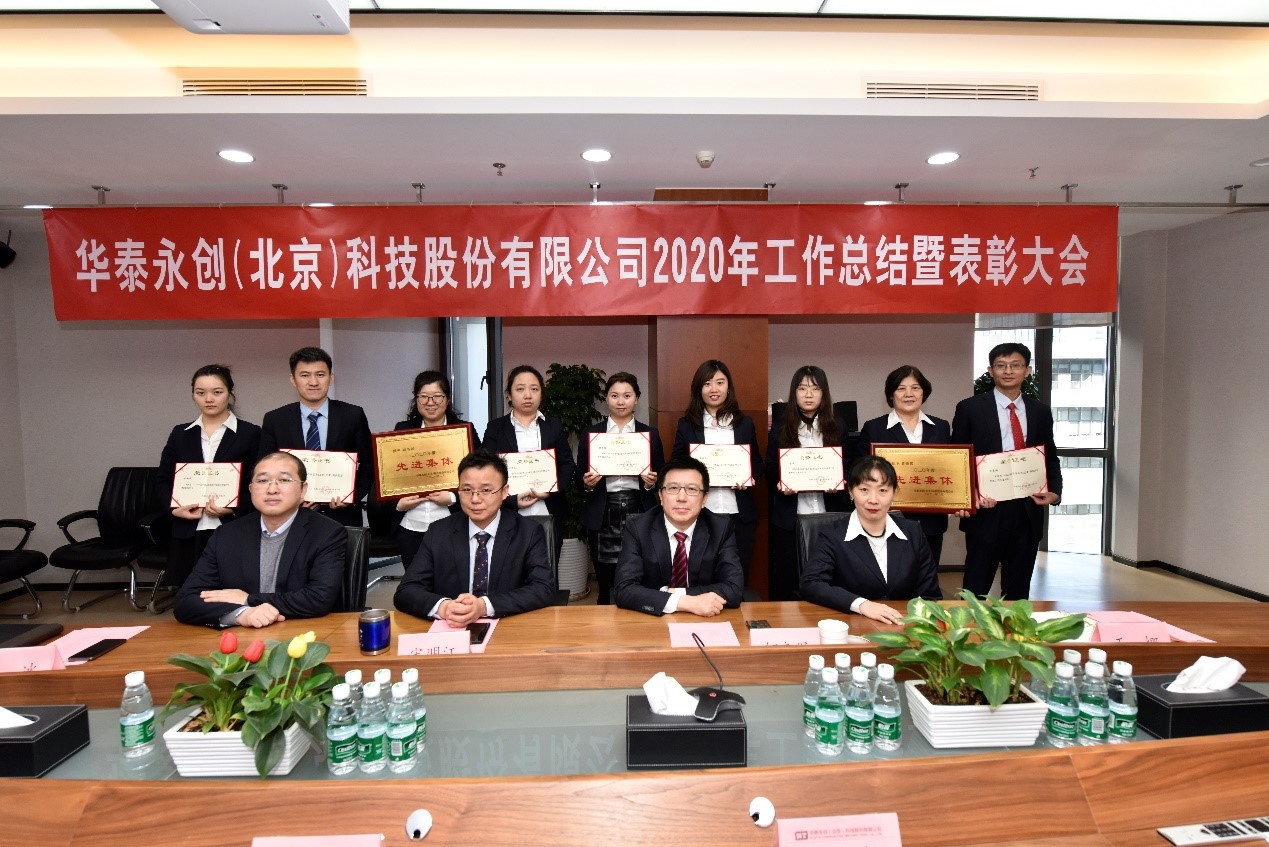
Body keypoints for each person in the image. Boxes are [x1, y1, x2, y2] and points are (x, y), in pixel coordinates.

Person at [174, 452, 348, 628]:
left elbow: (318, 599)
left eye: (284, 480)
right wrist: (241, 614)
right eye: (263, 481)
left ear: (303, 490)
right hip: (240, 636)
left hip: (304, 633)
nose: (272, 489)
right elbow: (186, 601)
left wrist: (248, 600)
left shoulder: (327, 533)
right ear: (251, 489)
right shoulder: (226, 535)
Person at [951, 342, 1062, 600]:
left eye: (1015, 365)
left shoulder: (1040, 411)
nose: (1008, 371)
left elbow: (1050, 456)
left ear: (1027, 370)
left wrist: (1055, 491)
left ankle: (1014, 628)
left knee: (1018, 591)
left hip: (1027, 509)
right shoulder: (970, 408)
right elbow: (958, 459)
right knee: (975, 591)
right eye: (1001, 366)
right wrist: (971, 495)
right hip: (987, 510)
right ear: (990, 371)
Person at [394, 450, 554, 622]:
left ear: (504, 492)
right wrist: (444, 607)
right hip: (452, 627)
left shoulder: (528, 532)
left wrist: (484, 606)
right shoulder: (438, 532)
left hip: (508, 625)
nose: (475, 499)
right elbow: (406, 591)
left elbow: (543, 588)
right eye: (467, 490)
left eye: (486, 490)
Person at [156, 364, 261, 588]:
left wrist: (233, 508)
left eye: (217, 392)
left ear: (230, 393)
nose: (209, 399)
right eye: (200, 392)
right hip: (188, 530)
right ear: (193, 394)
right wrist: (174, 509)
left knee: (232, 593)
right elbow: (163, 480)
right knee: (189, 595)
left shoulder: (251, 434)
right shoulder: (180, 434)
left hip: (233, 528)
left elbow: (259, 483)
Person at [800, 455, 941, 623]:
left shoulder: (913, 532)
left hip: (903, 625)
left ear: (894, 493)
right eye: (864, 490)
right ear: (851, 491)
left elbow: (930, 595)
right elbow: (812, 584)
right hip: (851, 625)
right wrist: (861, 605)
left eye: (883, 491)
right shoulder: (833, 534)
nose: (873, 500)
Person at [613, 455, 744, 617]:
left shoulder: (721, 528)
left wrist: (677, 593)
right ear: (661, 496)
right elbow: (624, 589)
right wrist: (684, 602)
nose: (682, 498)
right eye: (673, 488)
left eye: (692, 489)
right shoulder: (638, 528)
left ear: (704, 498)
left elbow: (734, 589)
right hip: (653, 621)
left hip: (706, 620)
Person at [575, 372, 665, 604]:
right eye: (614, 395)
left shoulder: (649, 434)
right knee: (605, 582)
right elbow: (578, 477)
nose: (621, 401)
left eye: (627, 395)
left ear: (637, 399)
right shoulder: (592, 434)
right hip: (603, 509)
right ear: (606, 399)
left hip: (639, 508)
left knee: (641, 573)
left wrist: (651, 483)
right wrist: (587, 484)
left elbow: (662, 475)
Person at [259, 347, 374, 528]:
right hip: (289, 516)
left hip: (342, 517)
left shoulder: (352, 415)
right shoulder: (275, 419)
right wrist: (287, 498)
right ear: (293, 379)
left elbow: (369, 463)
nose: (313, 382)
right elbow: (264, 468)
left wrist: (351, 496)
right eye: (305, 375)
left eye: (320, 375)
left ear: (331, 378)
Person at [672, 359, 762, 586]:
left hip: (739, 512)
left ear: (728, 387)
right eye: (707, 383)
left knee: (737, 576)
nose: (714, 389)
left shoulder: (744, 424)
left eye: (720, 382)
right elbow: (675, 465)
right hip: (701, 512)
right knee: (700, 576)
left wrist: (748, 477)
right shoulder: (687, 425)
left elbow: (757, 463)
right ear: (699, 389)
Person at [766, 365, 851, 601]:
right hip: (791, 518)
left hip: (830, 513)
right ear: (794, 393)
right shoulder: (781, 428)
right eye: (802, 388)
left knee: (830, 577)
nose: (809, 394)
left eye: (815, 388)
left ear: (824, 393)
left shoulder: (838, 426)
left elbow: (849, 466)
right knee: (789, 580)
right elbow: (770, 468)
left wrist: (841, 481)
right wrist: (782, 482)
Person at [856, 364, 953, 565]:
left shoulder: (941, 427)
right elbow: (859, 472)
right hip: (888, 521)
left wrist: (960, 499)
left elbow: (951, 469)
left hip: (932, 523)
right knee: (890, 577)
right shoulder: (874, 428)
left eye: (915, 388)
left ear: (924, 393)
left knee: (927, 576)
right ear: (891, 395)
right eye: (901, 388)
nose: (909, 394)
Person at [481, 364, 576, 556]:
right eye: (520, 389)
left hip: (549, 512)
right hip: (508, 514)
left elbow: (567, 465)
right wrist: (510, 500)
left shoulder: (553, 426)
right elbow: (485, 470)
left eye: (534, 389)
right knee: (510, 567)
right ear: (508, 395)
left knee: (548, 567)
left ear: (541, 394)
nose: (528, 395)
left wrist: (550, 491)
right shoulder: (496, 428)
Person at [389, 370, 480, 568]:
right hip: (411, 524)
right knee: (415, 582)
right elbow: (391, 475)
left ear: (447, 399)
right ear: (416, 400)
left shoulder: (464, 430)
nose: (430, 402)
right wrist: (399, 503)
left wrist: (453, 497)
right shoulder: (402, 430)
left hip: (453, 522)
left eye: (437, 396)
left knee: (452, 580)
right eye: (424, 397)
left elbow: (481, 473)